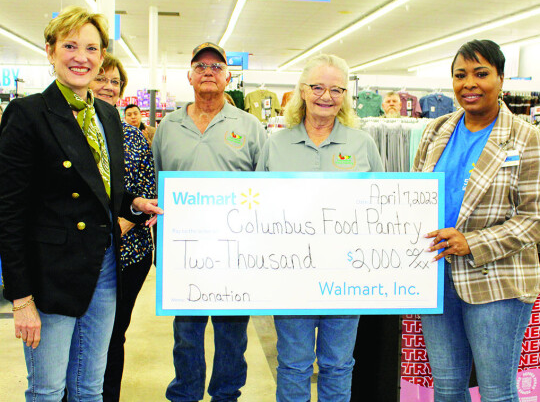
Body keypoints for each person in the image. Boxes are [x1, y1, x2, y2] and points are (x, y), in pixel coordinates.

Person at [0, 6, 162, 401]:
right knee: (48, 389)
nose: (81, 57)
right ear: (50, 51)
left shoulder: (106, 115)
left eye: (91, 48)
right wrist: (21, 299)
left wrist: (134, 204)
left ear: (102, 55)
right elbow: (8, 212)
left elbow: (104, 192)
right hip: (51, 275)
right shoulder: (28, 114)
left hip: (104, 266)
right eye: (70, 45)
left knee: (90, 386)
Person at [413, 39, 540, 401]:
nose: (469, 83)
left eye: (481, 73)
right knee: (448, 387)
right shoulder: (436, 130)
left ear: (501, 79)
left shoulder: (527, 138)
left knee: (496, 391)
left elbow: (534, 217)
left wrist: (473, 242)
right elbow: (415, 193)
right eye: (460, 75)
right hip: (438, 277)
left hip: (496, 282)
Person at [256, 54, 384, 402]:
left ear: (345, 96)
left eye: (336, 89)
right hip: (291, 276)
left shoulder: (363, 145)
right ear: (302, 90)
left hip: (346, 275)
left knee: (338, 364)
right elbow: (258, 210)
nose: (326, 96)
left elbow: (383, 206)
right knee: (294, 365)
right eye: (317, 87)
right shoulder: (276, 144)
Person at [152, 42, 266, 402]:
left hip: (236, 251)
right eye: (200, 66)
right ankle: (185, 393)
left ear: (227, 77)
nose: (208, 72)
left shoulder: (249, 126)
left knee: (233, 332)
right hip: (183, 251)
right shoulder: (168, 126)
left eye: (216, 67)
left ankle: (226, 394)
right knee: (186, 330)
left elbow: (265, 185)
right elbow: (157, 182)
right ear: (189, 76)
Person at [89, 53, 156, 402]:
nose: (107, 86)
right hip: (77, 256)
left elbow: (148, 190)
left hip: (128, 256)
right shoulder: (68, 131)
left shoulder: (133, 138)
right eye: (101, 78)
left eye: (115, 82)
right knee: (78, 337)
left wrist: (117, 228)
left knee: (114, 334)